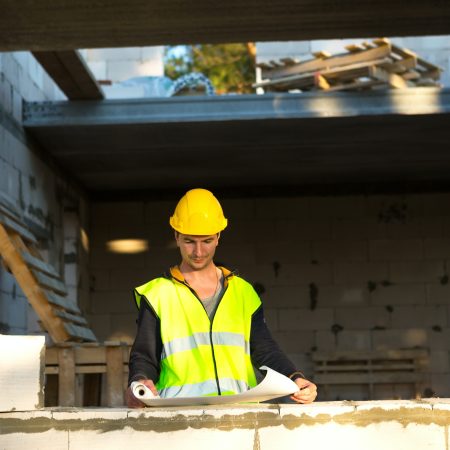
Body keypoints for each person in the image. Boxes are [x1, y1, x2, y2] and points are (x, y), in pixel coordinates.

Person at [126, 188, 317, 406]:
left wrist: (296, 378)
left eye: (206, 241)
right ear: (176, 236)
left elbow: (265, 350)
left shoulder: (243, 292)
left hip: (238, 415)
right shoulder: (157, 294)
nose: (198, 252)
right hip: (180, 415)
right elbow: (144, 357)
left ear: (218, 237)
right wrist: (139, 383)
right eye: (189, 241)